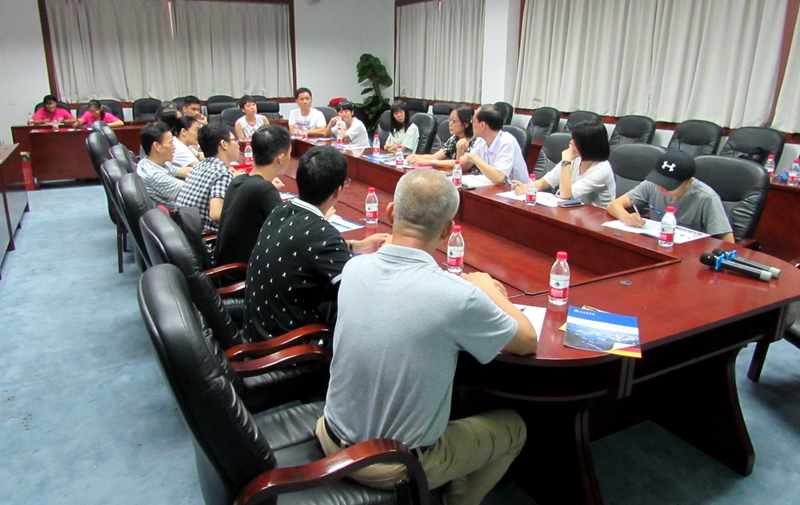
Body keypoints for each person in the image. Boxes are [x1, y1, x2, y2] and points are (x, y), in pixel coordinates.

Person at [317, 168, 537, 505]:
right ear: (448, 231)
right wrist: (489, 290)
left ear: (391, 212)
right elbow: (527, 342)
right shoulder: (457, 296)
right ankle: (456, 500)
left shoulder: (354, 267)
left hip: (329, 435)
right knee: (513, 427)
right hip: (390, 465)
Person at [243, 146, 389, 341]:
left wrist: (356, 246)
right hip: (286, 346)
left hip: (258, 329)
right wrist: (389, 254)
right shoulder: (322, 234)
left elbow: (305, 246)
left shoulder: (281, 210)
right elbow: (364, 289)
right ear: (338, 191)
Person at [606, 150, 734, 242]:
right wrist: (627, 217)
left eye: (669, 184)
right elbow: (614, 205)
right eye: (660, 181)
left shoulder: (707, 197)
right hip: (657, 244)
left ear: (688, 182)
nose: (662, 187)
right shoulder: (652, 184)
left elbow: (727, 241)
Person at [214, 125, 289, 277]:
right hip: (242, 275)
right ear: (280, 158)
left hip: (225, 269)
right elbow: (288, 237)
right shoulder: (264, 190)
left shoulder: (239, 180)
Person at [512, 121, 616, 208]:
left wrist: (566, 161)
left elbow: (566, 194)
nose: (571, 142)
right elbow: (546, 182)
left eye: (576, 140)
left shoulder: (602, 169)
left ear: (588, 144)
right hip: (576, 212)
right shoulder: (576, 158)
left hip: (598, 219)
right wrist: (526, 187)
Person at [176, 123, 245, 231]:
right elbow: (216, 215)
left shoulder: (199, 166)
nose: (238, 145)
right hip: (208, 236)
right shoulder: (221, 173)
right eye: (235, 140)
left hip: (186, 232)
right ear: (224, 144)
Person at [460, 104, 529, 185]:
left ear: (482, 125)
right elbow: (463, 166)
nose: (472, 125)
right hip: (495, 187)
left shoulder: (507, 142)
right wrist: (460, 149)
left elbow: (499, 178)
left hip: (516, 189)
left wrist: (473, 157)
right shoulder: (481, 141)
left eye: (473, 121)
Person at [136, 122, 191, 210]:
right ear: (157, 146)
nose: (174, 147)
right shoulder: (155, 175)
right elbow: (193, 190)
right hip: (176, 214)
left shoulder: (150, 162)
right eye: (171, 143)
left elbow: (184, 171)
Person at [407, 105, 478, 169]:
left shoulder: (476, 141)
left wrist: (430, 162)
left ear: (466, 123)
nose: (449, 124)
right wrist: (417, 157)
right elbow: (434, 157)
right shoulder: (454, 138)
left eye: (453, 121)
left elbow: (460, 163)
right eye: (449, 120)